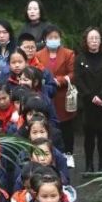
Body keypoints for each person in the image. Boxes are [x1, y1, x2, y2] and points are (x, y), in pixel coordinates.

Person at [74, 28, 102, 173]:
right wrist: (90, 96)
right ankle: (89, 165)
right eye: (91, 38)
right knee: (88, 136)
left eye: (96, 38)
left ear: (100, 40)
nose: (94, 41)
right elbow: (78, 79)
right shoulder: (80, 58)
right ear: (86, 40)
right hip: (87, 103)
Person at [35, 24, 77, 156]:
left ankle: (69, 154)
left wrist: (59, 80)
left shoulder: (68, 53)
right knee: (48, 125)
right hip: (47, 95)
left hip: (63, 95)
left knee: (66, 127)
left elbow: (73, 73)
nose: (53, 39)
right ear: (45, 39)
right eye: (50, 37)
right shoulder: (39, 54)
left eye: (56, 37)